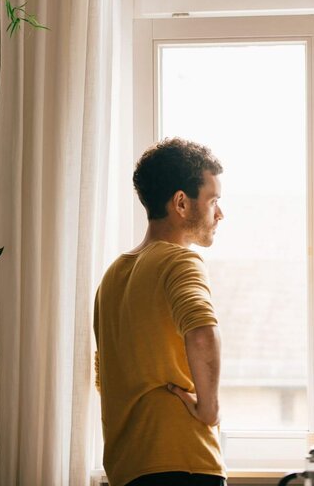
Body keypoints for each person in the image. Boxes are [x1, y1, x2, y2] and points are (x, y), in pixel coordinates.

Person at [93, 137, 227, 486]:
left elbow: (103, 376)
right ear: (181, 203)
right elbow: (202, 330)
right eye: (213, 200)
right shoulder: (180, 261)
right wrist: (209, 407)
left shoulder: (112, 278)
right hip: (184, 462)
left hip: (128, 468)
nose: (220, 214)